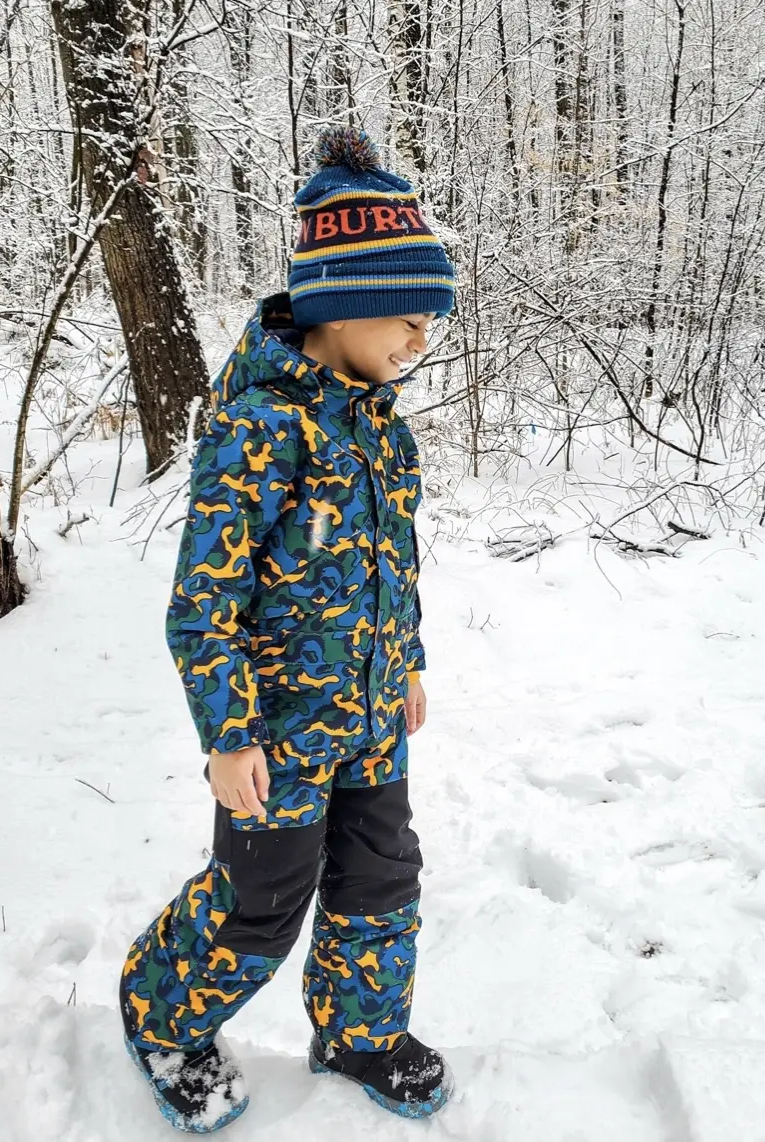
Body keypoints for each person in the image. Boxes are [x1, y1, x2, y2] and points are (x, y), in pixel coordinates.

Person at [118, 124, 457, 1132]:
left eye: (428, 321)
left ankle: (357, 1030)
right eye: (404, 316)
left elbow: (392, 563)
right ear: (339, 307)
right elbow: (203, 602)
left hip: (368, 716)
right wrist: (227, 734)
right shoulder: (259, 428)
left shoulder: (377, 423)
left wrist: (408, 664)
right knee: (264, 893)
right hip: (275, 731)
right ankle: (162, 1009)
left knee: (381, 876)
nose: (418, 340)